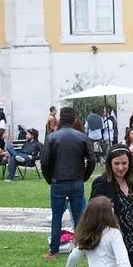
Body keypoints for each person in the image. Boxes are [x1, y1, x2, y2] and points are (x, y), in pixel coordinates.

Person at [43, 107, 96, 258]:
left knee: (57, 216)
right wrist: (84, 176)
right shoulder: (81, 137)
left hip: (58, 181)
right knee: (79, 216)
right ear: (74, 120)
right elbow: (91, 159)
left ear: (60, 119)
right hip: (77, 180)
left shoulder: (52, 137)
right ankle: (82, 246)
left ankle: (54, 250)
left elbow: (45, 161)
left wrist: (49, 179)